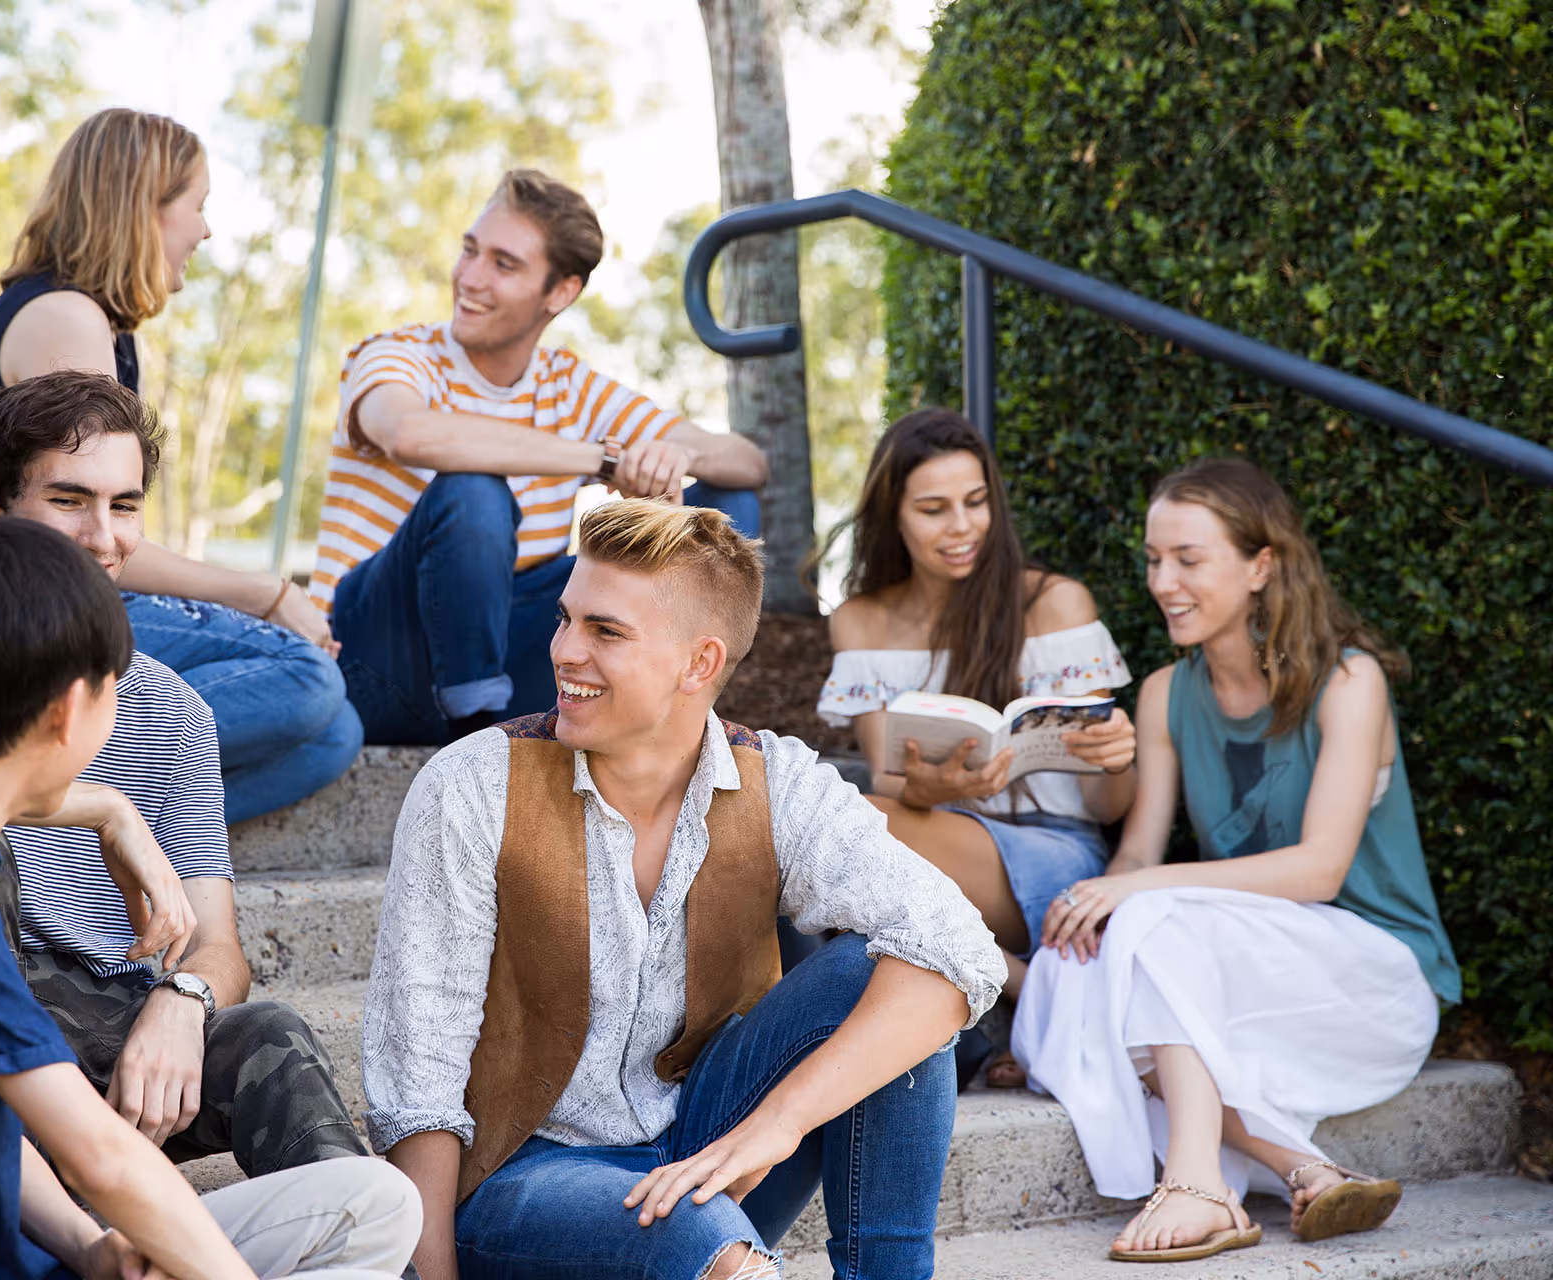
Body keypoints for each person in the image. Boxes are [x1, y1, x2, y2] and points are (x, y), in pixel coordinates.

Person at [0, 517, 420, 1280]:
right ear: (70, 711)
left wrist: (86, 1244)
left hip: (22, 1240)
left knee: (376, 1201)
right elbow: (102, 1160)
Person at [363, 498, 1007, 1280]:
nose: (565, 650)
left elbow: (962, 948)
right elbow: (419, 1080)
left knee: (905, 980)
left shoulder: (780, 783)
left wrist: (775, 1126)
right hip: (525, 1185)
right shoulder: (470, 788)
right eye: (567, 619)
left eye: (606, 631)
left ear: (699, 663)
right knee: (688, 1237)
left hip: (708, 1158)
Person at [0, 371, 368, 1183]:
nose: (103, 537)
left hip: (112, 1023)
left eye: (126, 505)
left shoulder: (172, 709)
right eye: (69, 500)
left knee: (270, 1035)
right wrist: (103, 808)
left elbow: (219, 947)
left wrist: (184, 1001)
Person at [1012, 457, 1461, 1263]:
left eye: (1189, 559)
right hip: (1243, 974)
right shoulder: (1163, 694)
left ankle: (1196, 1180)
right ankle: (1303, 1168)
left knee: (1138, 928)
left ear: (1261, 565)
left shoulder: (1347, 682)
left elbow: (1320, 871)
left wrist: (1135, 888)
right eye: (1154, 560)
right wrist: (1095, 899)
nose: (1164, 581)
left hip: (1370, 977)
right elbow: (1140, 852)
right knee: (1079, 963)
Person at [0, 106, 357, 823]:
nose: (204, 230)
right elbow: (82, 535)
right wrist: (264, 594)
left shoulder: (95, 324)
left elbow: (96, 531)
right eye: (196, 206)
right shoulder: (63, 319)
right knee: (305, 678)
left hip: (37, 593)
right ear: (143, 210)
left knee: (334, 738)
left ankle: (70, 837)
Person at [312, 168, 771, 744]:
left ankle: (671, 715)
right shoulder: (397, 355)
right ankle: (478, 744)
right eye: (470, 251)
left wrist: (666, 454)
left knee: (724, 503)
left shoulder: (570, 385)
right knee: (472, 492)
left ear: (560, 292)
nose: (470, 278)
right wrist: (604, 460)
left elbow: (746, 460)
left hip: (512, 648)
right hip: (374, 657)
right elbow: (407, 432)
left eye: (503, 264)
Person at [815, 408, 1138, 1082]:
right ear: (893, 515)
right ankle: (1016, 993)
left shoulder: (1052, 604)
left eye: (976, 502)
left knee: (837, 821)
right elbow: (895, 780)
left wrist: (1118, 757)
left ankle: (1014, 990)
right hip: (936, 838)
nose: (962, 528)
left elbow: (1107, 808)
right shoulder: (862, 620)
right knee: (841, 819)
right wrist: (934, 789)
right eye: (934, 509)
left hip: (1052, 860)